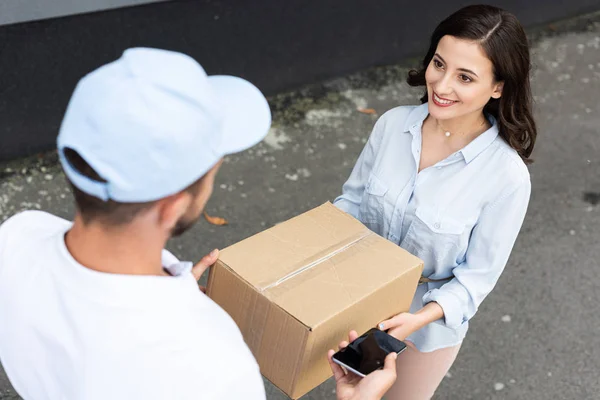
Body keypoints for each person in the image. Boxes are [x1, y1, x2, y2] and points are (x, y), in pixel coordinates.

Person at [0, 48, 396, 400]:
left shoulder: (16, 236)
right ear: (172, 207)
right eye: (213, 168)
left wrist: (168, 295)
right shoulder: (213, 367)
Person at [334, 5, 536, 399]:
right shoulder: (392, 124)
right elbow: (351, 204)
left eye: (465, 77)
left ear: (498, 87)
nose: (442, 87)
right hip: (356, 302)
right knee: (348, 394)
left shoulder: (507, 178)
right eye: (439, 65)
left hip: (423, 329)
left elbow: (475, 280)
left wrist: (417, 320)